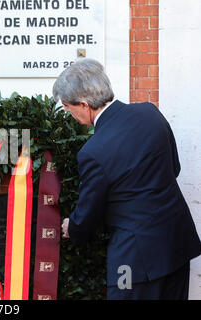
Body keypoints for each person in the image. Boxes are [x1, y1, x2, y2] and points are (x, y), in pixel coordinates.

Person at [55, 58, 201, 300]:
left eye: (67, 107)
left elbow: (90, 209)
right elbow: (173, 168)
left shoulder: (93, 151)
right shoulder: (150, 113)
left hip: (132, 261)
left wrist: (74, 227)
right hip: (176, 243)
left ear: (83, 104)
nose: (69, 113)